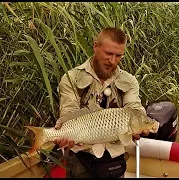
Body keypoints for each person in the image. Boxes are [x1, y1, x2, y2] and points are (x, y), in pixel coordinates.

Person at [53, 27, 149, 178]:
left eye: (118, 56)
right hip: (80, 158)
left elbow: (134, 109)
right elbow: (69, 114)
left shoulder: (129, 81)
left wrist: (141, 124)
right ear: (96, 46)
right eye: (109, 53)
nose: (112, 61)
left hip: (114, 159)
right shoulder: (71, 78)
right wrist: (64, 135)